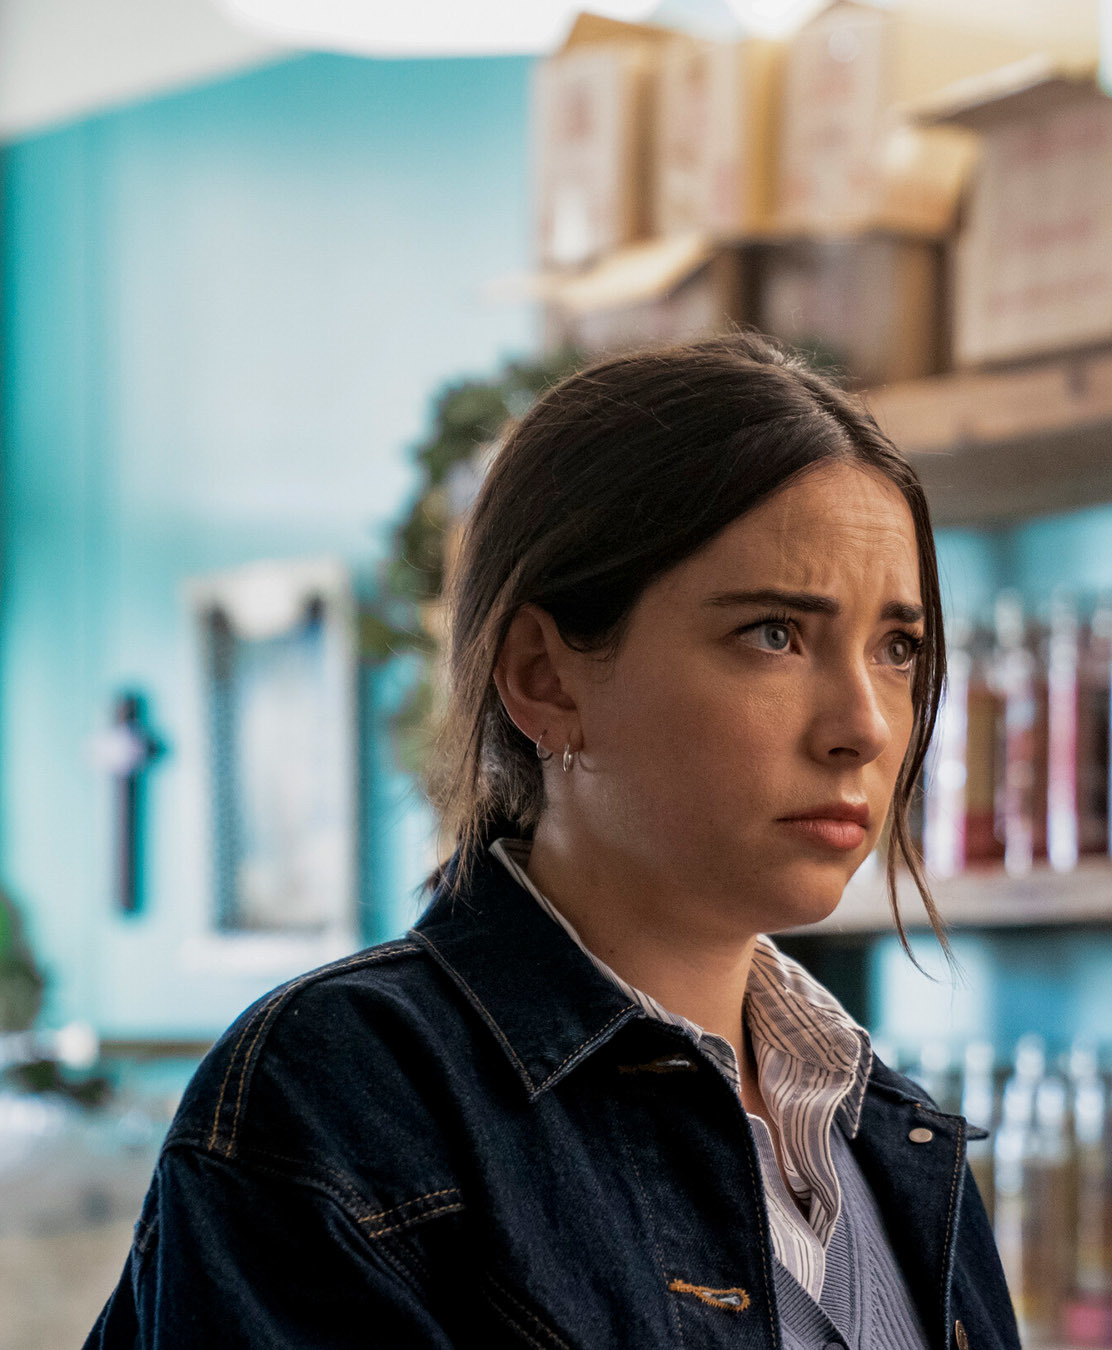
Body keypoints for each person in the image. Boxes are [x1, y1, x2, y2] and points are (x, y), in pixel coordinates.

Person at [88, 335, 1019, 1350]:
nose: (866, 726)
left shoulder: (899, 1136)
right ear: (544, 677)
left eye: (898, 649)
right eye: (773, 634)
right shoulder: (340, 1102)